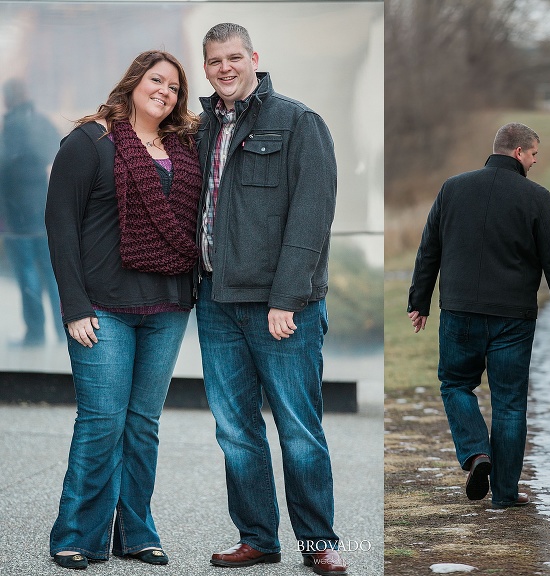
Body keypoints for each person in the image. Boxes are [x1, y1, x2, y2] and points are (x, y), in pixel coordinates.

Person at [194, 24, 345, 575]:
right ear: (206, 67)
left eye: (235, 57)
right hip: (216, 301)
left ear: (254, 58)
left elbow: (312, 216)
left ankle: (319, 542)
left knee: (299, 430)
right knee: (235, 431)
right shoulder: (202, 128)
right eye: (215, 61)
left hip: (280, 307)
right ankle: (257, 538)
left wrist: (287, 298)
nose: (225, 68)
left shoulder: (298, 122)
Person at [45, 50, 201, 569]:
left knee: (142, 425)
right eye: (157, 80)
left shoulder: (184, 149)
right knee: (102, 422)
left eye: (175, 88)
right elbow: (61, 225)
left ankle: (136, 531)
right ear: (134, 82)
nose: (165, 92)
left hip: (168, 305)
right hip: (102, 307)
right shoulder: (90, 141)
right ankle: (77, 535)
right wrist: (74, 306)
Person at [407, 122, 550, 509]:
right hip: (513, 317)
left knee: (455, 384)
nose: (535, 161)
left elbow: (429, 249)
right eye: (533, 154)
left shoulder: (452, 188)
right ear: (518, 152)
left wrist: (419, 301)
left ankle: (476, 452)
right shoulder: (537, 197)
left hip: (459, 311)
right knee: (510, 403)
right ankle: (505, 493)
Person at [0, 78, 61, 346]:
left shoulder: (9, 127)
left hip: (16, 215)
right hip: (44, 209)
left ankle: (35, 333)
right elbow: (59, 151)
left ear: (7, 98)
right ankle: (63, 331)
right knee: (52, 272)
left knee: (27, 272)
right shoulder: (41, 122)